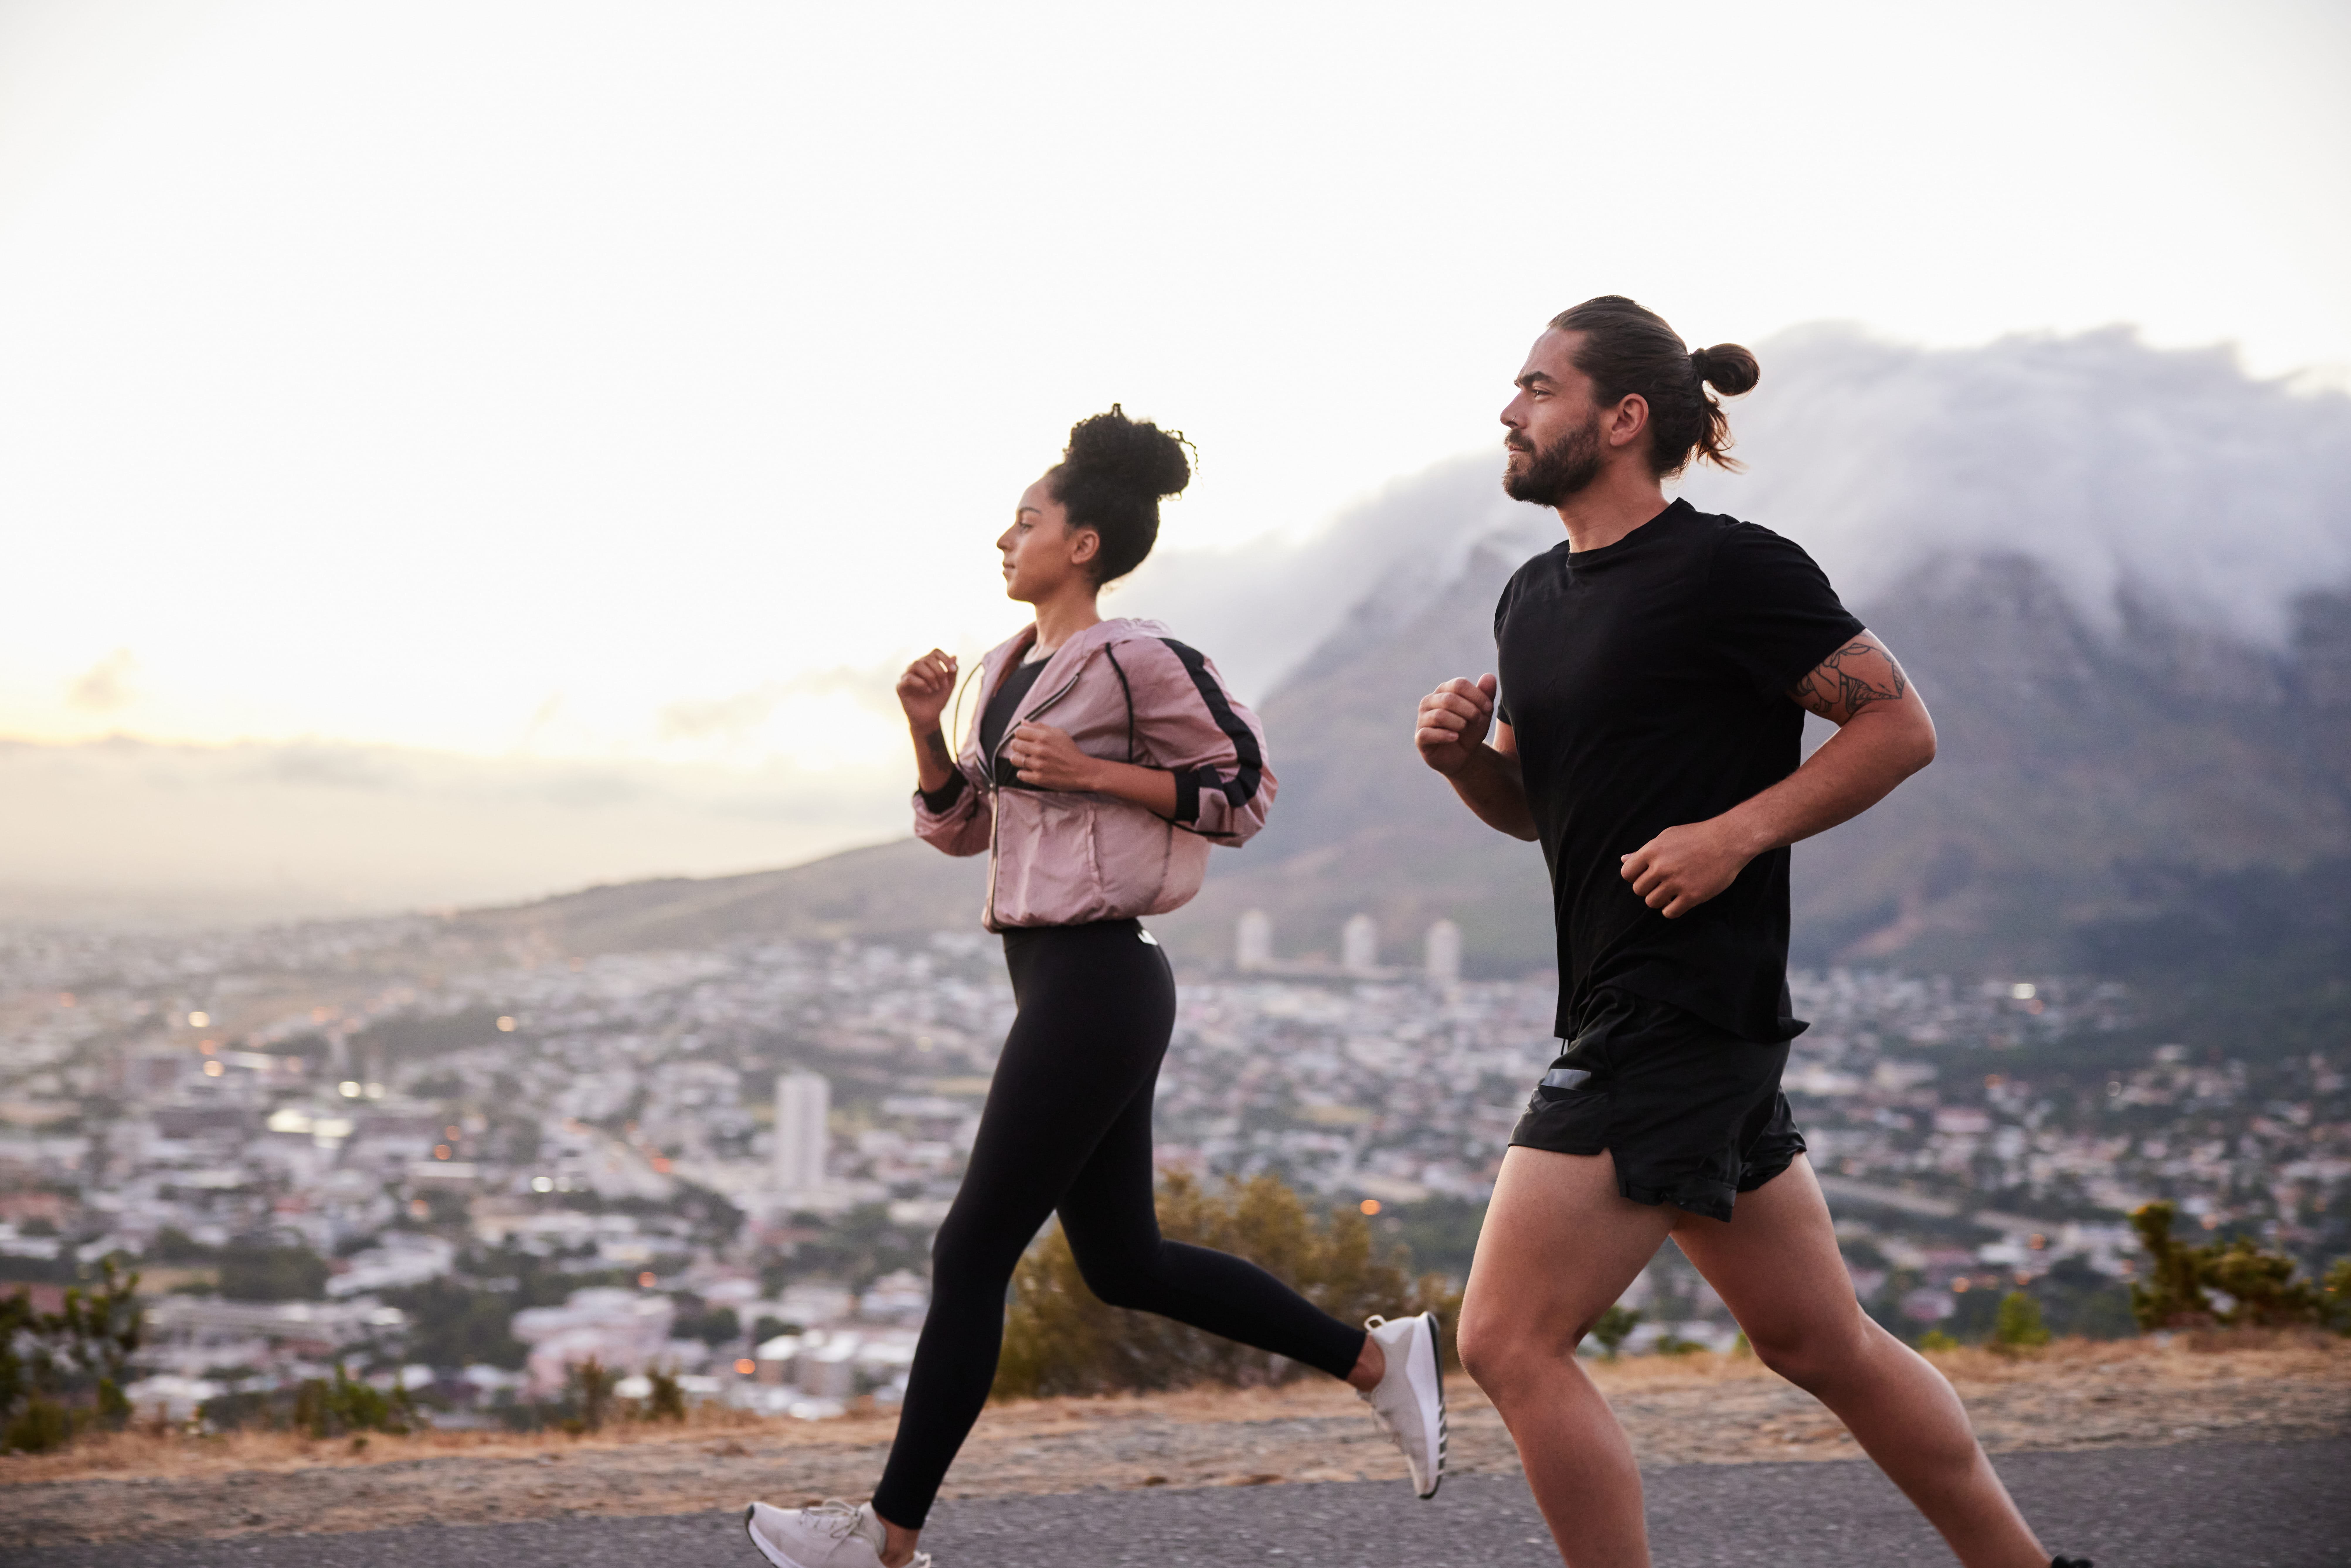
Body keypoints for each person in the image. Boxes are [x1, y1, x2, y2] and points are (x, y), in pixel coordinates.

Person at [1413, 298, 2092, 1568]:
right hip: (1669, 1016)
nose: (1507, 411)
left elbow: (1897, 726)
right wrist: (1463, 765)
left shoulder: (1729, 567)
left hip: (1676, 1010)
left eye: (1535, 388)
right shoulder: (1528, 597)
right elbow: (1532, 813)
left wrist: (1733, 833)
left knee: (1506, 1341)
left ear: (1621, 420)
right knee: (1815, 1343)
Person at [744, 407, 1445, 1568]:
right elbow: (963, 828)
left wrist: (1097, 774)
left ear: (1080, 545)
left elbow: (1247, 791)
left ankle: (884, 1539)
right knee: (1125, 1266)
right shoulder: (1000, 670)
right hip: (1053, 983)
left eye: (1025, 519)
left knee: (969, 1255)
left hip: (1102, 981)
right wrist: (924, 734)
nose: (1004, 535)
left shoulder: (1139, 658)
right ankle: (1377, 1360)